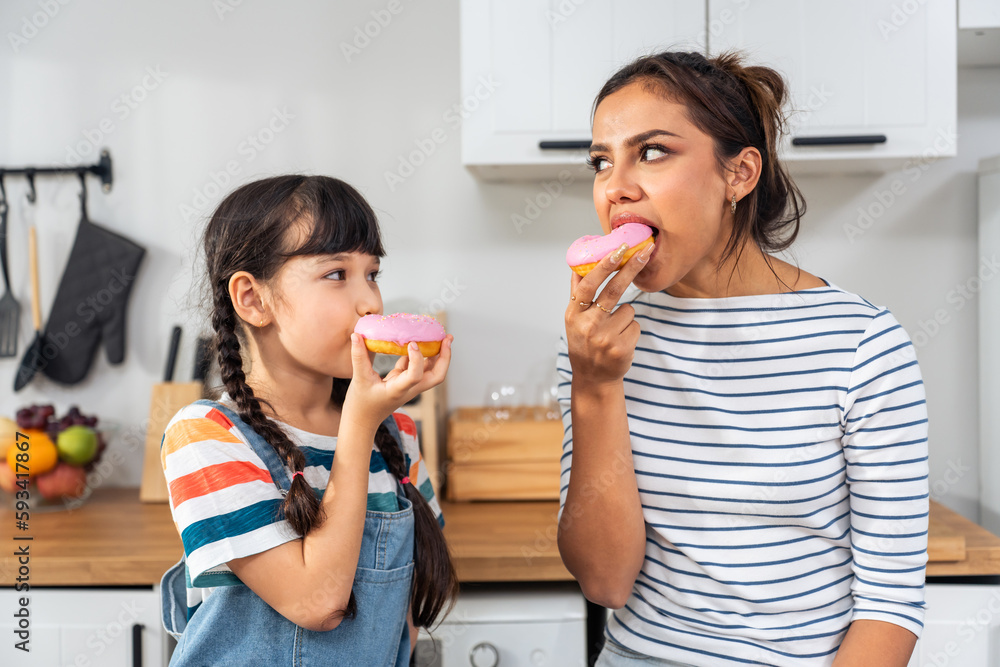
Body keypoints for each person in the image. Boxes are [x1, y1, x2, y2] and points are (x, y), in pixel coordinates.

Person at [558, 51, 928, 667]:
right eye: (602, 161)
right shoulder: (602, 339)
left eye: (651, 151)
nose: (616, 186)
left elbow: (890, 607)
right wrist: (594, 386)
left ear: (739, 174)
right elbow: (605, 582)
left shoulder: (862, 344)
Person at [158, 175, 458, 666]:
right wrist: (359, 425)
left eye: (373, 273)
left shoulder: (397, 436)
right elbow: (317, 603)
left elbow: (402, 617)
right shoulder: (206, 436)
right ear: (253, 299)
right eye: (337, 274)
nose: (371, 302)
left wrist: (367, 421)